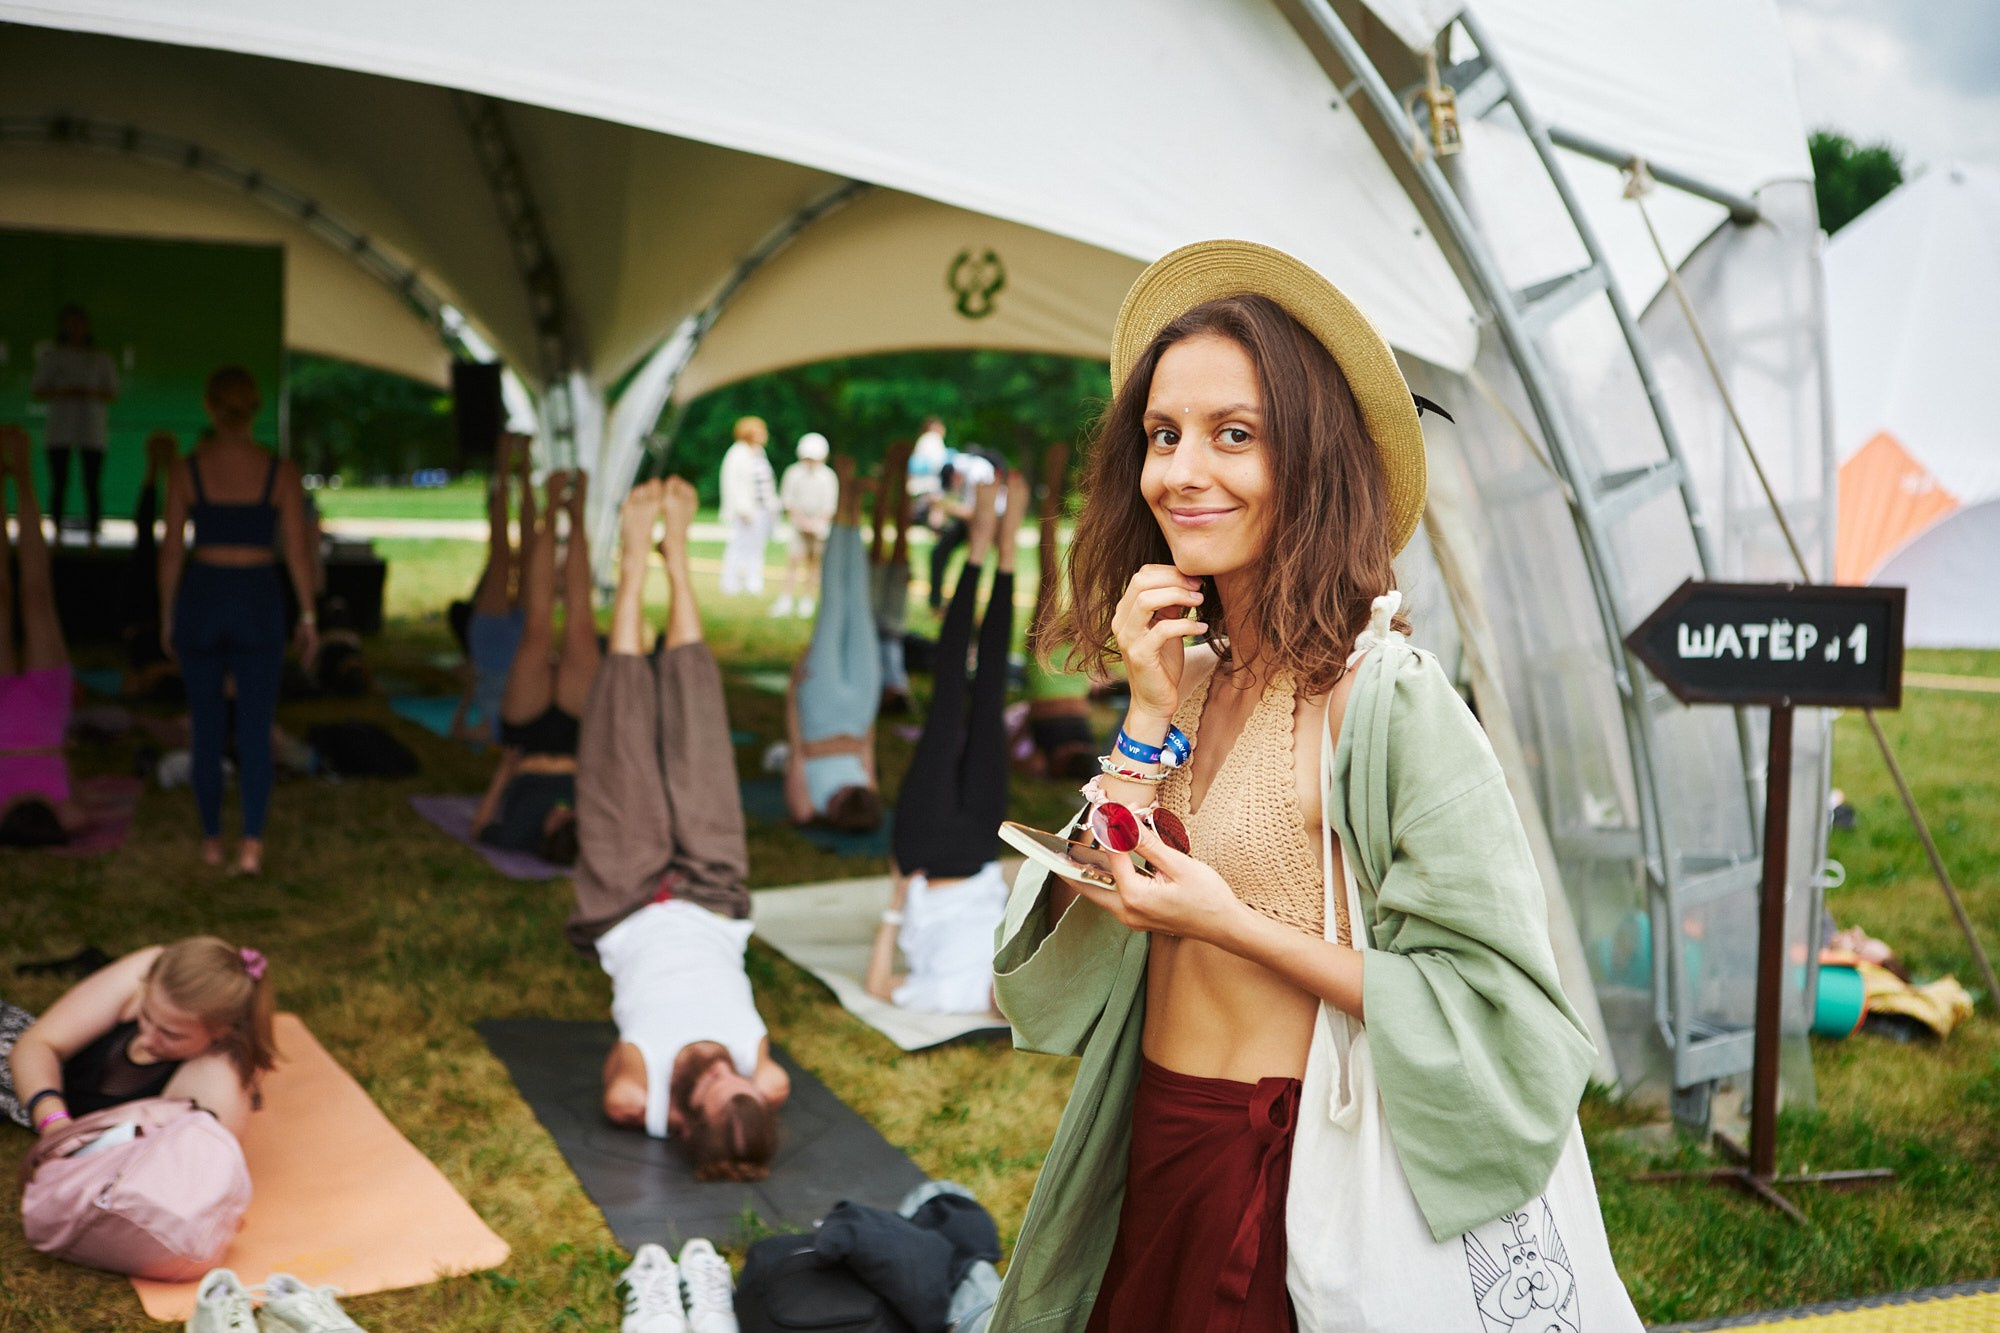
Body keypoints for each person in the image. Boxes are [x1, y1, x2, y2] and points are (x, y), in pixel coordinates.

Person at [989, 242, 1595, 1330]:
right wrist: (1140, 709)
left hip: (1282, 1163)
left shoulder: (1387, 701)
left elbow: (1494, 999)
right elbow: (1106, 891)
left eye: (1234, 435)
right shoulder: (1187, 674)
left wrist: (1233, 926)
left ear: (1309, 462)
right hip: (1155, 1130)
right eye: (1162, 435)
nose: (1181, 469)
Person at [571, 477, 790, 1180]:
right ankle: (676, 558)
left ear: (684, 1113)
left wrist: (664, 1110)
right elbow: (764, 1091)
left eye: (714, 1083)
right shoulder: (764, 1075)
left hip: (627, 901)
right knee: (698, 729)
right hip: (714, 897)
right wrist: (745, 1093)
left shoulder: (642, 1087)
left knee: (622, 733)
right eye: (744, 1082)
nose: (725, 1066)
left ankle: (635, 565)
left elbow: (620, 1096)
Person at [864, 473, 1027, 1015]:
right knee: (988, 700)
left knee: (948, 701)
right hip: (982, 845)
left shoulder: (951, 1002)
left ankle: (980, 547)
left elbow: (879, 988)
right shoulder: (1017, 973)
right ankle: (1000, 555)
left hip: (923, 857)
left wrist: (892, 907)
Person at [158, 367, 319, 876]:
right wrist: (309, 614)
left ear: (209, 407)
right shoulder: (280, 472)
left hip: (204, 594)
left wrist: (167, 614)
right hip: (256, 597)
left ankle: (211, 840)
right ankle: (251, 844)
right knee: (255, 727)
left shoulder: (188, 470)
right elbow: (297, 552)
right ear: (255, 409)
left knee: (205, 727)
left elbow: (169, 554)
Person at [2, 937, 276, 1141]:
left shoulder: (215, 1082)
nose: (146, 1038)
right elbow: (36, 1045)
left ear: (223, 1032)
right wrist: (53, 1122)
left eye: (169, 1034)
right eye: (144, 1014)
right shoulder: (152, 969)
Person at [471, 471, 596, 868]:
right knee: (581, 624)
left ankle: (550, 507)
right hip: (580, 740)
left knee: (537, 628)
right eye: (571, 818)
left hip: (525, 740)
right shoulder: (594, 830)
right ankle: (576, 512)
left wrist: (503, 776)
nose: (562, 811)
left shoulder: (520, 836)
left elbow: (479, 829)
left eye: (558, 821)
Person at [781, 458, 884, 833]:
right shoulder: (868, 795)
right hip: (858, 710)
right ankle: (852, 507)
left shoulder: (808, 810)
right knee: (858, 606)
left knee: (834, 607)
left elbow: (796, 751)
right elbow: (867, 748)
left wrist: (794, 691)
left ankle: (844, 493)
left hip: (819, 712)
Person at [0, 426, 87, 848]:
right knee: (37, 596)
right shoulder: (65, 815)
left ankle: (6, 481)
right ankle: (24, 475)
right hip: (46, 712)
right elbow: (78, 819)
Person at [1018, 443, 1100, 781]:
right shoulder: (1051, 760)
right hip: (1054, 673)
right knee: (1062, 573)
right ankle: (1068, 481)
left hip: (1064, 671)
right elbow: (1025, 760)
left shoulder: (1075, 756)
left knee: (1073, 575)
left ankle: (1065, 479)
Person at [455, 431, 536, 742]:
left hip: (489, 654)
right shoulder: (525, 736)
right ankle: (524, 466)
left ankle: (505, 466)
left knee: (501, 556)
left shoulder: (492, 734)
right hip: (522, 653)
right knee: (529, 555)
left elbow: (457, 733)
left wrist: (468, 692)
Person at [30, 305, 119, 547]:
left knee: (91, 482)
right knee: (59, 481)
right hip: (60, 427)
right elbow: (37, 390)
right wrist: (66, 392)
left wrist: (90, 393)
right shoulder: (53, 356)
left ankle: (93, 535)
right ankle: (56, 533)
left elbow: (112, 392)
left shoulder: (100, 358)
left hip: (91, 426)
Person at [121, 431, 185, 702]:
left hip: (145, 621)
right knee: (162, 538)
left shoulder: (143, 663)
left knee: (147, 541)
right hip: (163, 624)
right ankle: (166, 468)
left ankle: (160, 468)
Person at [869, 442, 917, 715]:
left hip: (873, 621)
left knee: (879, 545)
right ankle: (902, 472)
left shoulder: (873, 688)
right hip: (893, 626)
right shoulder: (898, 685)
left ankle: (890, 472)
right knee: (900, 542)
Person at [773, 431, 839, 619]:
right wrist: (802, 522)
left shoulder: (828, 476)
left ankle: (807, 600)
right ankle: (785, 599)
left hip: (819, 527)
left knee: (814, 563)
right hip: (798, 524)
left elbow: (829, 506)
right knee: (793, 560)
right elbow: (788, 500)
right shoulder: (793, 473)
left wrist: (816, 524)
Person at [718, 415, 778, 596]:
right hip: (744, 510)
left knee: (757, 547)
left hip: (762, 509)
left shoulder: (759, 453)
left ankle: (754, 582)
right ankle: (730, 583)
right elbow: (732, 484)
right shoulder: (737, 453)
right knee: (738, 545)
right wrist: (742, 509)